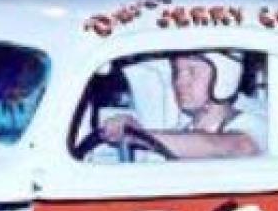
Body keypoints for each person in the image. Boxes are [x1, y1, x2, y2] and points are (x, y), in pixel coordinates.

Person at [99, 52, 265, 159]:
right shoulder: (182, 129)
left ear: (225, 75)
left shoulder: (256, 123)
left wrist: (138, 135)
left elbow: (231, 146)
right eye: (176, 72)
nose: (180, 82)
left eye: (192, 72)